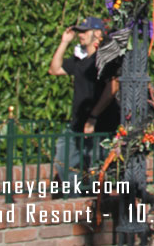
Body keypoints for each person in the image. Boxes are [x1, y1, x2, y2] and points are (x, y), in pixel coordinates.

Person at [48, 17, 119, 194]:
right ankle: (75, 199)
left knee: (96, 169)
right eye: (80, 31)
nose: (80, 35)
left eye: (84, 31)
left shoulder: (104, 57)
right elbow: (54, 69)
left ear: (97, 33)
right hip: (77, 124)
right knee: (63, 160)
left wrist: (94, 117)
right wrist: (64, 42)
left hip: (100, 124)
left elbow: (113, 86)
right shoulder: (79, 58)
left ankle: (95, 205)